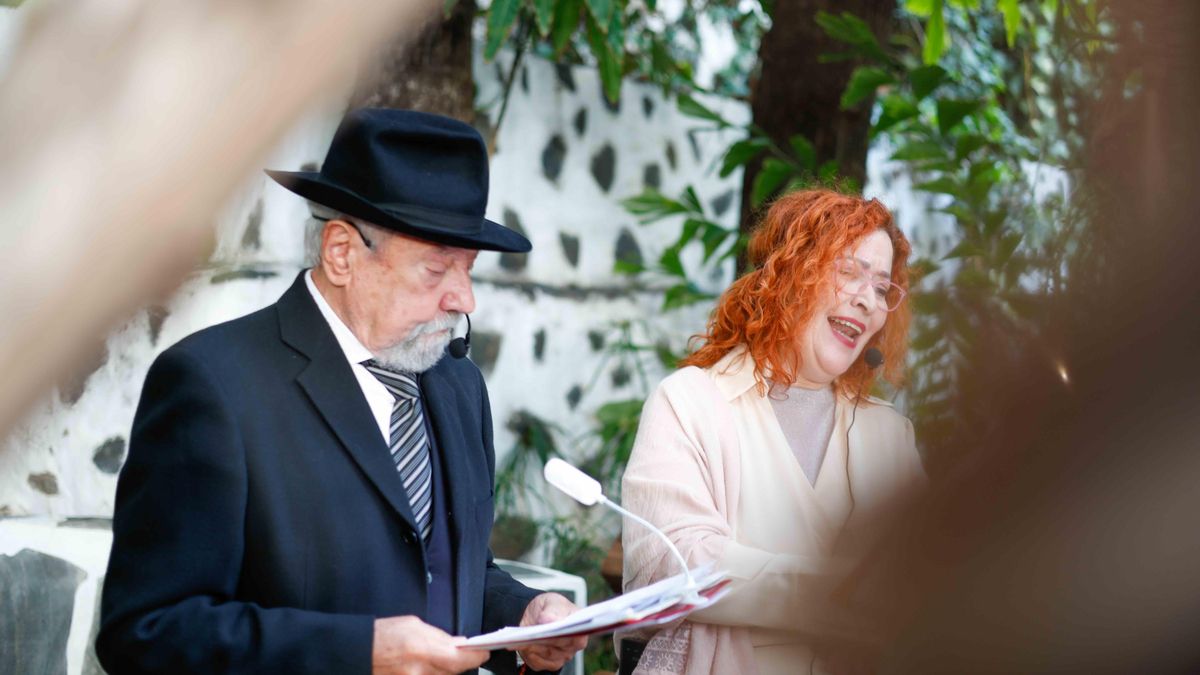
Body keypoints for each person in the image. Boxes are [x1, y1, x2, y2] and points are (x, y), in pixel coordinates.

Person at [97, 108, 587, 675]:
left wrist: (519, 613)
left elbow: (449, 569)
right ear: (341, 253)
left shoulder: (459, 385)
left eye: (468, 269)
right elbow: (147, 633)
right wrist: (360, 652)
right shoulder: (212, 386)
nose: (464, 299)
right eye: (435, 271)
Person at [620, 189, 925, 675]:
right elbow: (669, 566)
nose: (868, 299)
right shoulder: (689, 401)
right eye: (849, 271)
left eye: (882, 288)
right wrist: (837, 593)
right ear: (789, 273)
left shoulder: (891, 433)